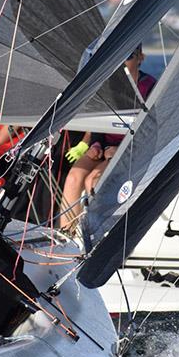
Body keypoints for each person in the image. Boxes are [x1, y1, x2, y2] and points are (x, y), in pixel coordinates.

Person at [59, 44, 156, 230]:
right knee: (73, 177)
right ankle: (66, 234)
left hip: (129, 150)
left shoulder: (150, 87)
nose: (123, 64)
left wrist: (120, 150)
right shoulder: (108, 86)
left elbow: (149, 132)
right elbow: (99, 121)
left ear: (140, 58)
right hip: (104, 148)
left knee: (93, 180)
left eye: (128, 57)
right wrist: (95, 144)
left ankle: (93, 235)